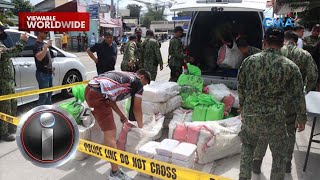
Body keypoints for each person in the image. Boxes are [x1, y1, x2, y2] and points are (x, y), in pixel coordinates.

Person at [237, 27, 307, 180]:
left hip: (251, 116)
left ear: (264, 42)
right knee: (279, 154)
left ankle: (243, 177)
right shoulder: (290, 67)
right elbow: (298, 95)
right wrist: (301, 118)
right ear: (282, 43)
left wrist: (242, 106)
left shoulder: (249, 62)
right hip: (275, 120)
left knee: (248, 147)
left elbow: (241, 86)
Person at [252, 30, 318, 174]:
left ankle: (257, 162)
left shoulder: (274, 52)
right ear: (296, 41)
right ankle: (286, 163)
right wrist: (304, 90)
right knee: (289, 132)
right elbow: (313, 75)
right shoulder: (304, 55)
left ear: (285, 40)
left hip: (271, 99)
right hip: (292, 103)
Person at [85, 69, 151, 180]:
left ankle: (110, 156)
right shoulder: (137, 82)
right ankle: (115, 173)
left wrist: (121, 116)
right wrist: (141, 128)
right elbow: (137, 109)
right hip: (97, 95)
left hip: (90, 90)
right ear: (142, 77)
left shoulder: (126, 76)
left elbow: (110, 99)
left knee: (108, 132)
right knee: (110, 134)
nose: (142, 87)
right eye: (144, 84)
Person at [0, 24, 28, 141]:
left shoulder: (1, 44)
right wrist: (21, 41)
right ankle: (4, 133)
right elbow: (10, 52)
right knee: (5, 108)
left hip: (9, 83)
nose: (3, 33)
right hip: (3, 83)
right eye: (1, 31)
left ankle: (11, 127)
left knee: (12, 106)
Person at [33, 31, 54, 106]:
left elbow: (47, 58)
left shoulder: (43, 44)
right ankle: (39, 113)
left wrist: (51, 67)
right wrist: (46, 47)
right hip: (42, 74)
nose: (46, 34)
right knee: (44, 96)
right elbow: (39, 58)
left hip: (49, 73)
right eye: (45, 32)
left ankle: (48, 111)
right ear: (39, 33)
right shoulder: (36, 45)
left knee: (49, 94)